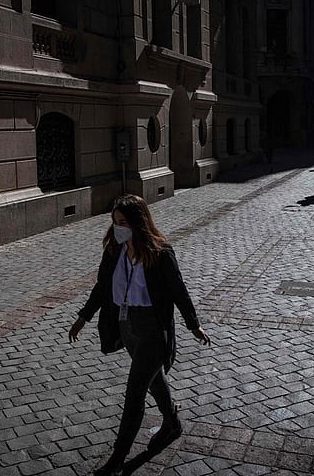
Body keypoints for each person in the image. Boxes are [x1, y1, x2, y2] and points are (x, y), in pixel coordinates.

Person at [68, 195, 211, 476]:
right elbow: (101, 287)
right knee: (155, 380)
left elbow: (178, 291)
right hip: (127, 327)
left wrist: (193, 325)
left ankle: (118, 458)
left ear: (138, 222)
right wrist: (83, 317)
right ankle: (171, 422)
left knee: (135, 393)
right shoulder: (114, 251)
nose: (117, 227)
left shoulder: (160, 252)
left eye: (123, 222)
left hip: (152, 331)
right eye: (114, 222)